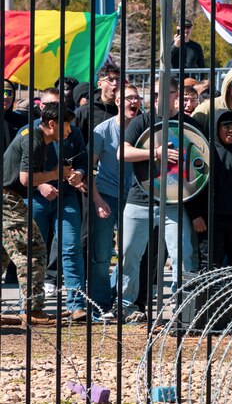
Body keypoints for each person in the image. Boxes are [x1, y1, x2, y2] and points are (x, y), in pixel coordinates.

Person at [112, 77, 199, 323]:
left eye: (165, 93)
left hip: (174, 203)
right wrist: (156, 153)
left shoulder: (189, 124)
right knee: (129, 254)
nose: (159, 98)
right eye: (156, 93)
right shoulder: (143, 121)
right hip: (139, 200)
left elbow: (201, 162)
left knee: (182, 256)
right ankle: (125, 306)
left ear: (176, 95)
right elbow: (123, 152)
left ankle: (183, 312)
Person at [1, 101, 67, 327]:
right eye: (66, 126)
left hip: (9, 197)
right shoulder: (35, 140)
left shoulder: (34, 133)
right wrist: (56, 173)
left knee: (3, 256)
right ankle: (33, 309)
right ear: (52, 123)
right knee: (34, 251)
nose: (69, 131)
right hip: (8, 198)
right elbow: (26, 179)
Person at [26, 87, 89, 320]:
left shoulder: (71, 131)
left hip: (67, 197)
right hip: (36, 200)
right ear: (41, 108)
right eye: (52, 106)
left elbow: (83, 159)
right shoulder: (28, 133)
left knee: (71, 248)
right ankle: (33, 306)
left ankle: (76, 305)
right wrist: (40, 185)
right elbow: (20, 173)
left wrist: (80, 174)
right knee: (34, 253)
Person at [88, 83, 140, 317]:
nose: (133, 102)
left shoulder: (144, 128)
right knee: (101, 253)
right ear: (117, 102)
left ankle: (121, 300)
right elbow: (89, 168)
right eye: (128, 98)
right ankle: (99, 303)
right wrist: (97, 200)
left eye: (136, 97)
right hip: (107, 195)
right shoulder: (102, 130)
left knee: (129, 252)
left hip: (136, 198)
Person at [190, 109, 232, 270]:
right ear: (216, 127)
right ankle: (212, 296)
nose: (231, 130)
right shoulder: (204, 152)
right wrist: (196, 215)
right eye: (226, 125)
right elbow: (192, 186)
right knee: (210, 266)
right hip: (210, 221)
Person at [74, 64, 121, 142]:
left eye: (118, 79)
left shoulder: (127, 107)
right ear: (99, 84)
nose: (115, 83)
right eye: (110, 80)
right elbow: (75, 141)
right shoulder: (85, 110)